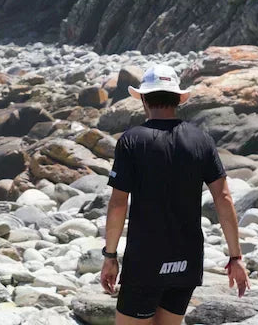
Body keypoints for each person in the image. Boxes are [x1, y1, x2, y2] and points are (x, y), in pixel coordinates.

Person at [99, 63, 249, 324]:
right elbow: (224, 199)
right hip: (186, 261)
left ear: (143, 99)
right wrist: (235, 257)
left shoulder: (132, 141)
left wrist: (110, 256)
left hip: (145, 261)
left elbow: (118, 204)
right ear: (179, 99)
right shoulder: (202, 140)